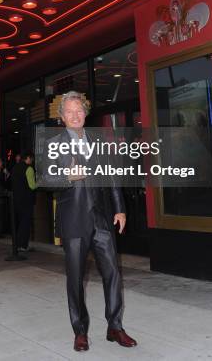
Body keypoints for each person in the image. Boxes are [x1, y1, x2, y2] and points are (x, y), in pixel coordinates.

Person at [47, 91, 137, 352]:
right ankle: (80, 330)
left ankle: (115, 327)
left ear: (85, 114)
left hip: (103, 219)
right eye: (70, 112)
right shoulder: (54, 144)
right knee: (74, 278)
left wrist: (120, 209)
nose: (75, 115)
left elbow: (111, 177)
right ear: (62, 117)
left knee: (112, 273)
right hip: (74, 220)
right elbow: (45, 181)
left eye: (79, 110)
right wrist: (67, 177)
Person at [10, 152, 37, 251]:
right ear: (28, 158)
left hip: (16, 199)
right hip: (26, 200)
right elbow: (32, 186)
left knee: (19, 222)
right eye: (32, 159)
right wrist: (41, 181)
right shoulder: (29, 169)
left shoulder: (15, 168)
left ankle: (17, 244)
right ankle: (23, 245)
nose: (32, 161)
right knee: (25, 223)